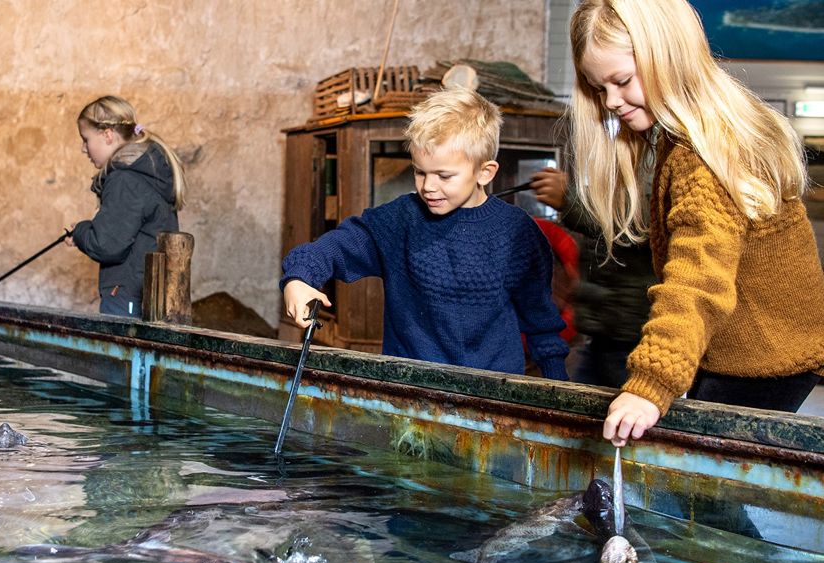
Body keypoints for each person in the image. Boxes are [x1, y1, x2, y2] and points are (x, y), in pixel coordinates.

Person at [568, 0, 824, 445]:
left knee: (704, 478)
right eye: (598, 88)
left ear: (668, 57)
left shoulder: (702, 155)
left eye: (621, 81)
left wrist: (651, 383)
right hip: (745, 348)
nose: (610, 101)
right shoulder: (686, 139)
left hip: (764, 358)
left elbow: (698, 275)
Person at [280, 87, 569, 379]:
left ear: (485, 172)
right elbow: (335, 247)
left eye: (444, 176)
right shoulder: (400, 221)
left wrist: (557, 388)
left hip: (493, 394)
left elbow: (542, 325)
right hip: (408, 388)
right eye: (420, 172)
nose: (428, 186)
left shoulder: (517, 232)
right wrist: (299, 278)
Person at [531, 166, 655, 387]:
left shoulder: (655, 161)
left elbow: (637, 222)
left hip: (632, 337)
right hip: (604, 331)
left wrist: (572, 199)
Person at [66, 95, 186, 317]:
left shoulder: (124, 180)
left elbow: (107, 245)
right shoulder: (145, 174)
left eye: (86, 139)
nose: (84, 149)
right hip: (145, 293)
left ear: (107, 135)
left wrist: (81, 231)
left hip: (128, 296)